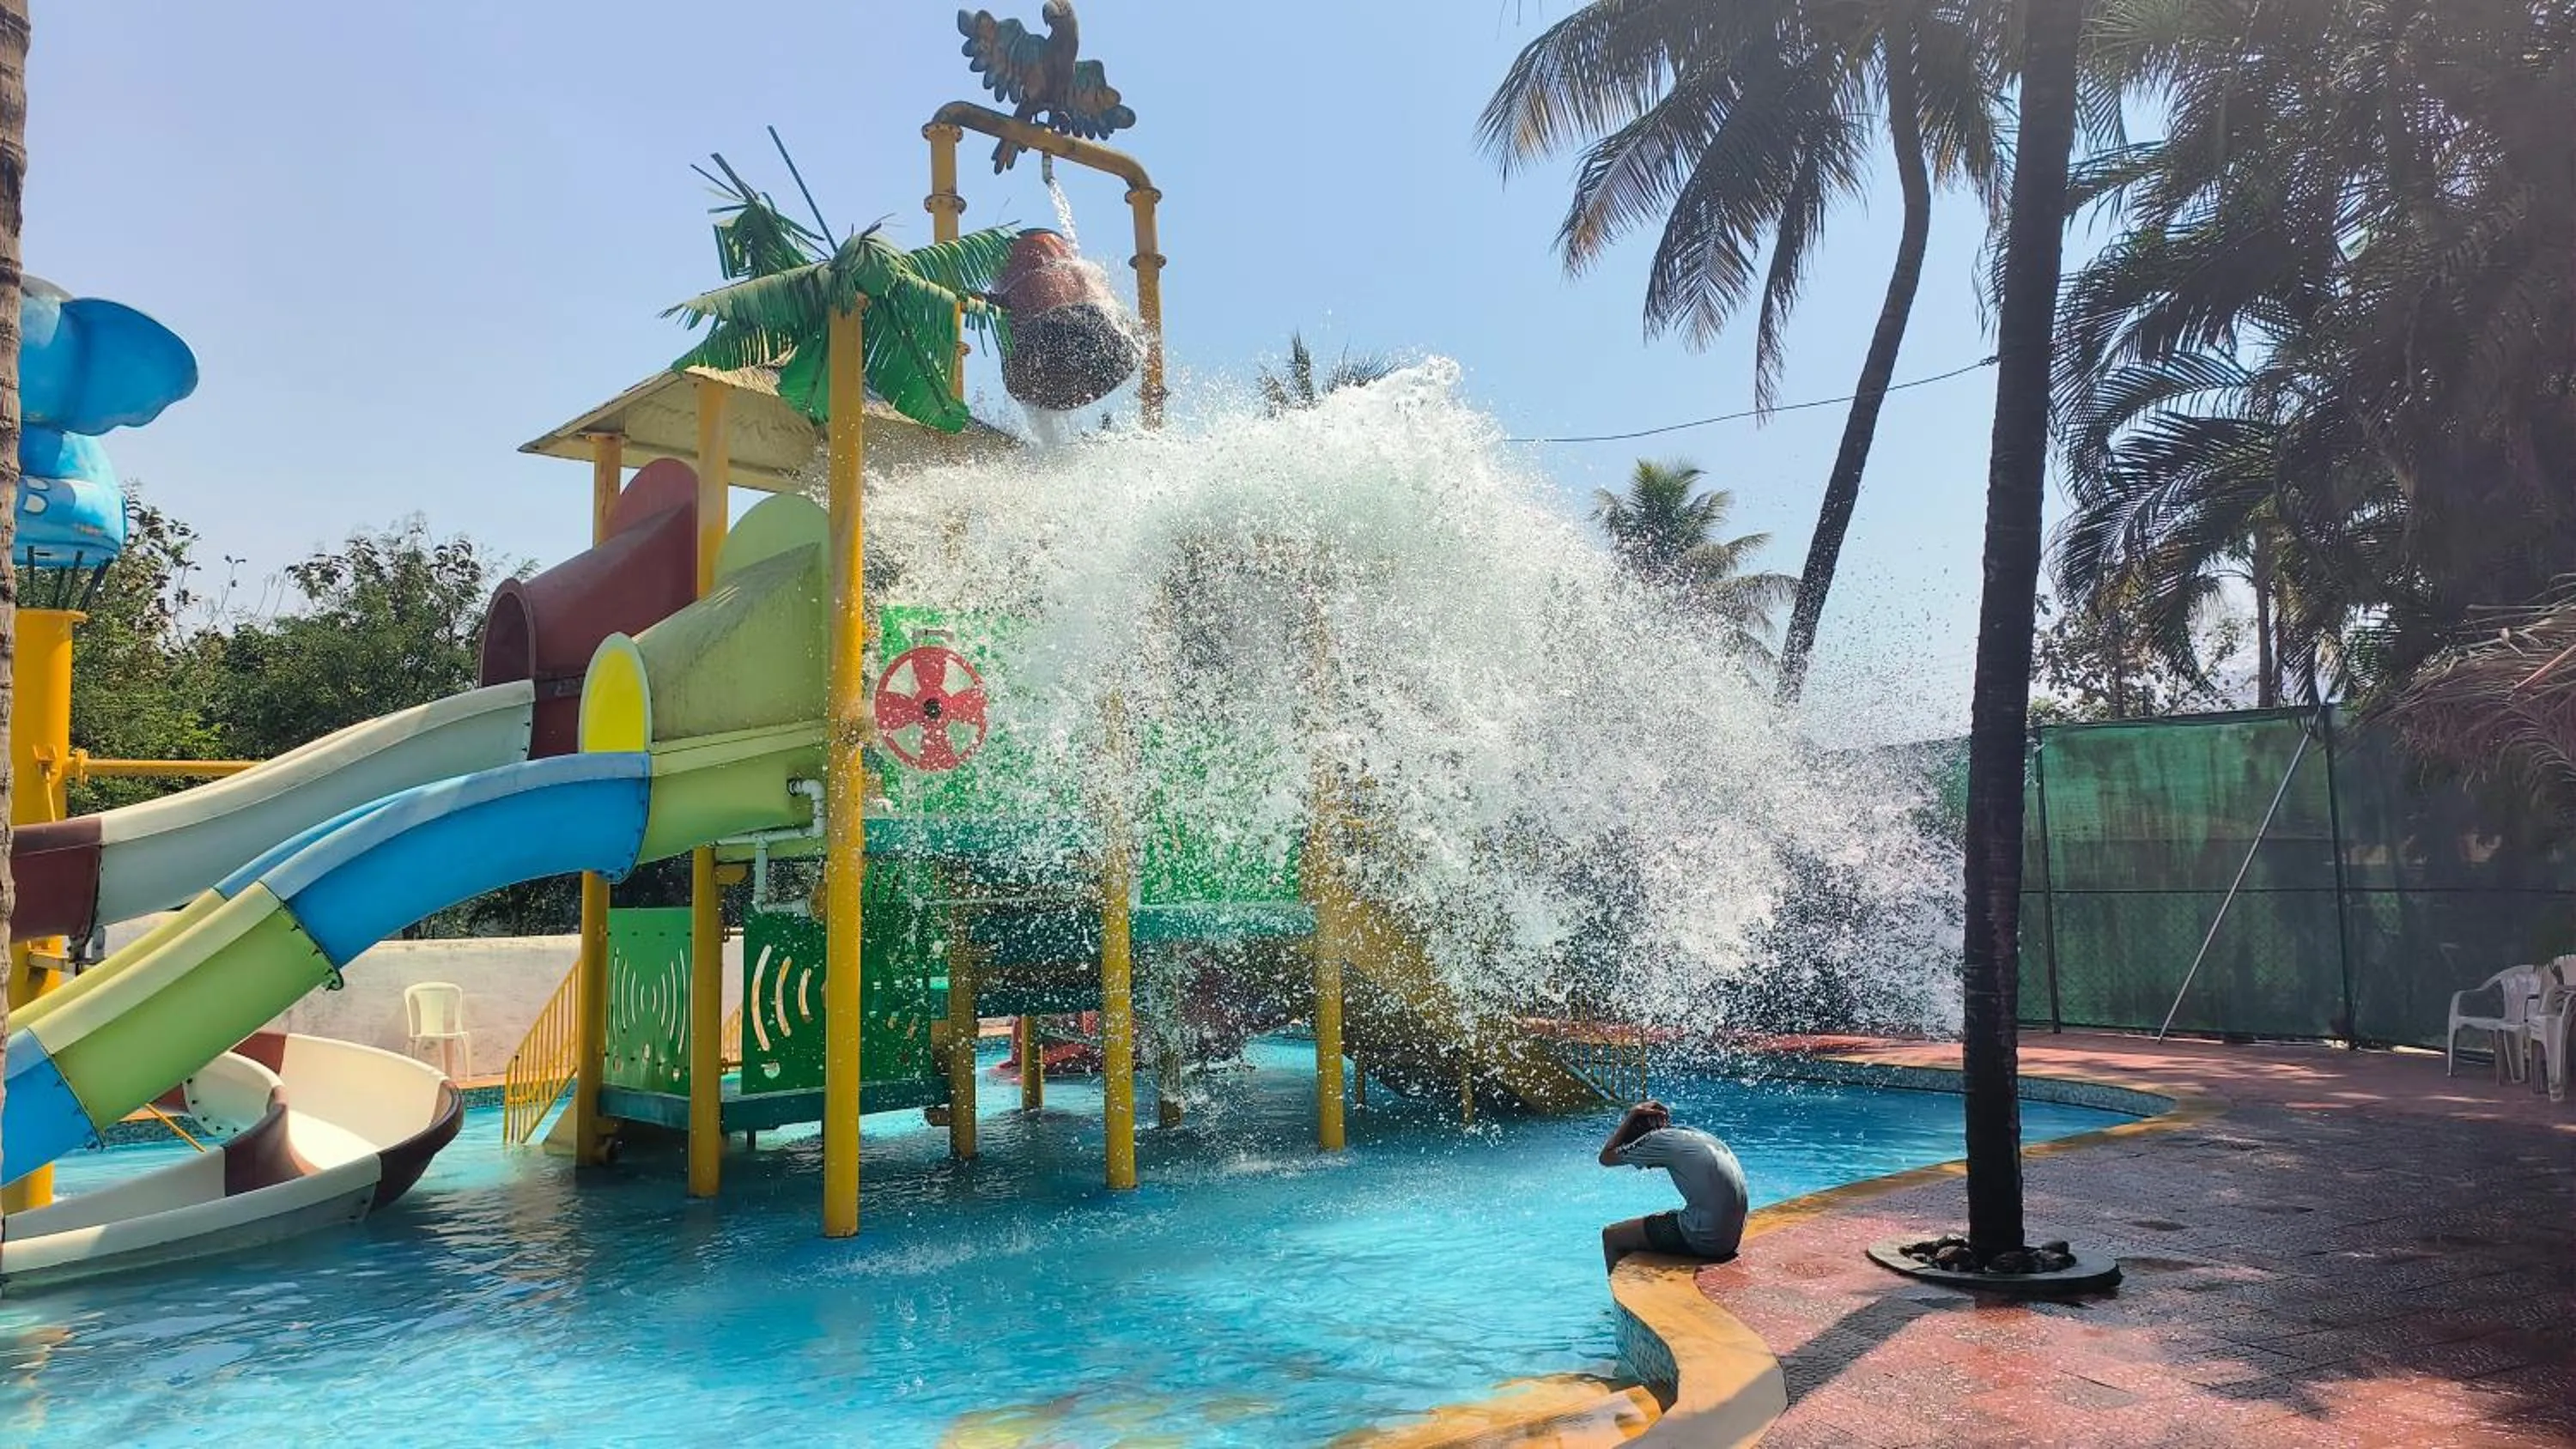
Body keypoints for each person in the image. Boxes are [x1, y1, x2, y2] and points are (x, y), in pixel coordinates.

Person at [1597, 1099, 1747, 1271]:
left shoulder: (1654, 1139)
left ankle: (1623, 1288)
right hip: (1732, 1236)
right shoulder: (1691, 1134)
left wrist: (1632, 1114)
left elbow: (1606, 1157)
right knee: (1663, 1218)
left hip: (1708, 1239)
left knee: (1612, 1236)